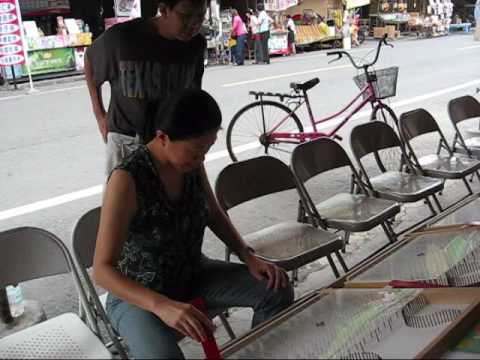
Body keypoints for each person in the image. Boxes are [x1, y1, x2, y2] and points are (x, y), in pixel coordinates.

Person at [93, 88, 294, 359]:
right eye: (196, 150)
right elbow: (102, 271)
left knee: (276, 289)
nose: (202, 159)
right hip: (139, 296)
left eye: (207, 149)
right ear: (163, 137)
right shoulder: (127, 179)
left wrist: (248, 256)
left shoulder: (189, 164)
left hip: (192, 274)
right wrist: (162, 305)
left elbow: (212, 212)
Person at [84, 0, 208, 176]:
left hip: (171, 140)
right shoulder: (124, 37)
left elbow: (193, 94)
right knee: (123, 198)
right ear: (164, 10)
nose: (194, 24)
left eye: (200, 16)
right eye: (186, 16)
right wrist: (99, 115)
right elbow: (90, 60)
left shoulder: (195, 45)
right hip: (127, 141)